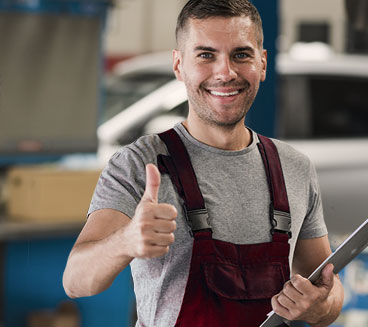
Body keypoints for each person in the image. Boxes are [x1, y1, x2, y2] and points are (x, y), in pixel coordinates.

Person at [62, 0, 344, 325]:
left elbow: (328, 287)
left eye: (241, 54)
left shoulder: (294, 167)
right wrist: (126, 241)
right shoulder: (140, 164)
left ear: (263, 63)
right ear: (179, 65)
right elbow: (76, 281)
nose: (225, 72)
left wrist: (319, 306)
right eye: (206, 55)